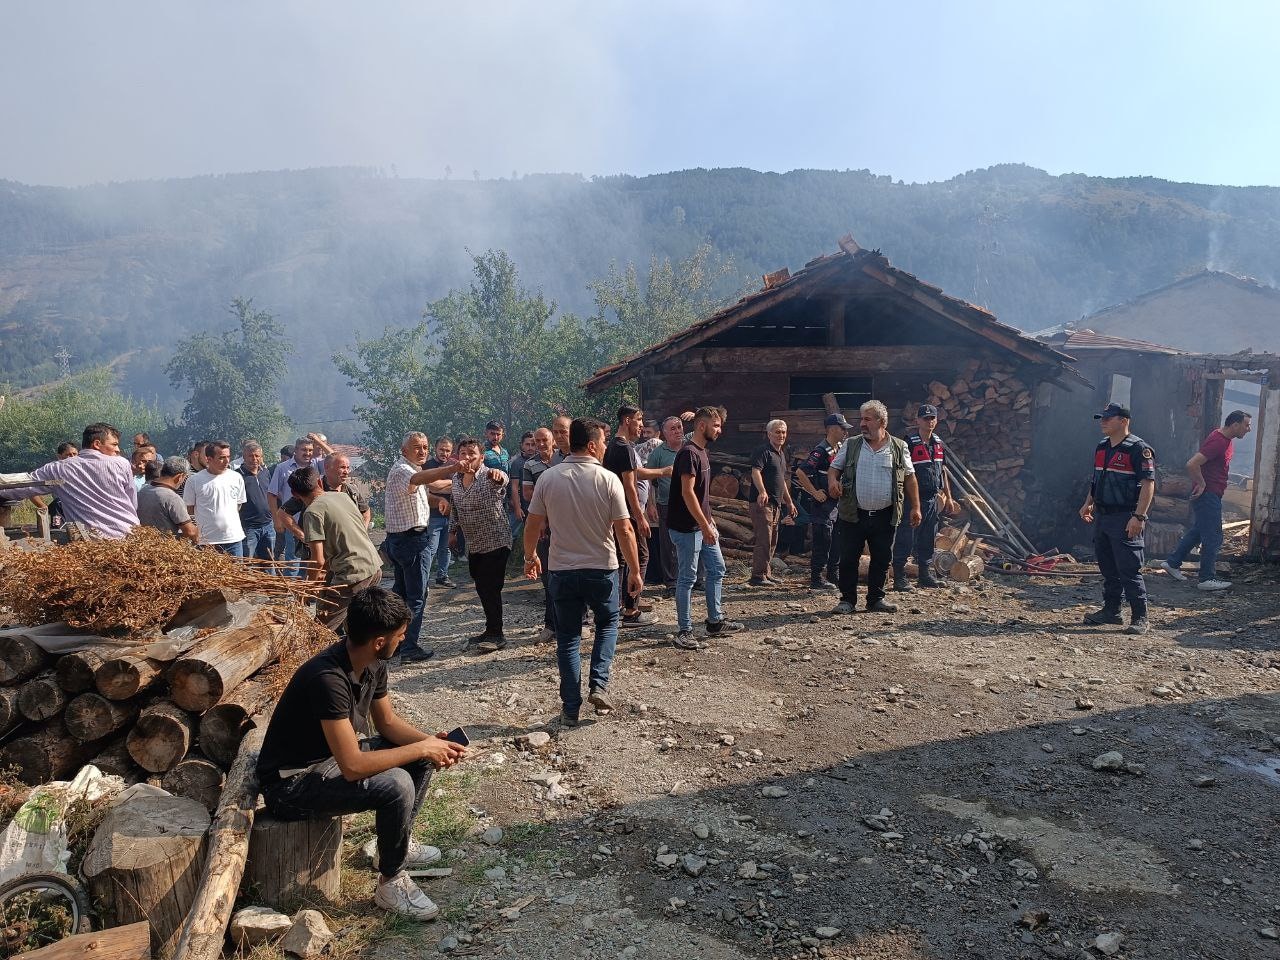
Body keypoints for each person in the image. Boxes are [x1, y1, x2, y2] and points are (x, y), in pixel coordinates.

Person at [256, 586, 469, 922]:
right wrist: (422, 746)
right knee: (397, 783)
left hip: (328, 762)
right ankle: (390, 882)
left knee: (418, 757)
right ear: (379, 642)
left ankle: (395, 849)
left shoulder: (370, 661)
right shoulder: (327, 678)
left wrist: (432, 743)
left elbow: (387, 723)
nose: (403, 640)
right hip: (290, 785)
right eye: (400, 635)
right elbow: (353, 766)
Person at [523, 417, 643, 725]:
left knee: (568, 638)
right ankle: (599, 684)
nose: (605, 446)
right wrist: (634, 571)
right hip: (602, 569)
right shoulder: (607, 479)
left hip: (562, 570)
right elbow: (625, 529)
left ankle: (571, 706)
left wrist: (530, 556)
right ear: (591, 445)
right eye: (602, 441)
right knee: (607, 625)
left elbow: (533, 522)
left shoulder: (549, 478)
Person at [384, 433, 474, 664]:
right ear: (404, 450)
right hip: (410, 541)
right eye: (417, 447)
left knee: (402, 594)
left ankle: (395, 644)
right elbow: (421, 479)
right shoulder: (405, 470)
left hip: (404, 540)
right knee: (416, 597)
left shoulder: (410, 469)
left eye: (424, 446)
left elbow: (424, 491)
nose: (422, 451)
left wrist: (439, 501)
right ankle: (409, 648)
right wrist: (454, 469)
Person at [826, 401, 921, 615]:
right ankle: (847, 600)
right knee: (849, 558)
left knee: (881, 559)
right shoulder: (852, 444)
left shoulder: (899, 447)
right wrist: (832, 482)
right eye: (861, 419)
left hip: (885, 515)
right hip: (853, 514)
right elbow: (834, 469)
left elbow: (910, 478)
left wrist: (916, 507)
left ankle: (876, 599)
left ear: (882, 422)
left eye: (867, 419)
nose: (862, 424)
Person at [666, 407, 744, 650]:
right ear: (702, 425)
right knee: (688, 578)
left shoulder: (702, 452)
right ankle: (684, 631)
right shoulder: (689, 454)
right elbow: (687, 493)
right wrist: (703, 524)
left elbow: (701, 497)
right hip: (687, 528)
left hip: (702, 525)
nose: (719, 430)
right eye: (716, 425)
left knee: (717, 569)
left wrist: (709, 523)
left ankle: (714, 621)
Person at [1079, 403, 1156, 634]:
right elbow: (1096, 480)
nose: (1102, 422)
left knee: (1129, 568)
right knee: (1108, 567)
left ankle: (1140, 617)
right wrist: (1087, 502)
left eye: (1108, 418)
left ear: (1123, 421)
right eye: (1101, 418)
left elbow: (1148, 484)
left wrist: (1139, 516)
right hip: (1103, 516)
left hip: (1125, 516)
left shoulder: (1139, 449)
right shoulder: (1102, 447)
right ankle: (1111, 611)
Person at [1159, 410, 1252, 591]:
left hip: (1212, 493)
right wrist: (1201, 484)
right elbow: (1192, 463)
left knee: (1199, 531)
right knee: (1214, 536)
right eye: (1246, 425)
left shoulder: (1224, 439)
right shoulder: (1218, 441)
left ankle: (1173, 562)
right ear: (1235, 425)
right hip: (1208, 495)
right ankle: (1206, 578)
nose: (1249, 429)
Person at [3, 423, 138, 539]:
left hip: (92, 543)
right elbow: (132, 503)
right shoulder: (122, 463)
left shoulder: (58, 468)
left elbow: (22, 485)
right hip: (132, 536)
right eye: (114, 444)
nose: (118, 449)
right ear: (97, 444)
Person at [288, 467, 384, 631]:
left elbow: (318, 560)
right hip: (373, 567)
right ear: (319, 482)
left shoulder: (312, 512)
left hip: (352, 575)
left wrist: (306, 590)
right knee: (357, 623)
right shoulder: (342, 496)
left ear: (295, 494)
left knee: (321, 629)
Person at [602, 405, 669, 628]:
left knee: (621, 559)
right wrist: (639, 517)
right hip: (627, 514)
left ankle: (618, 606)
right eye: (639, 420)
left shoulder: (614, 446)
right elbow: (630, 485)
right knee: (640, 556)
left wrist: (661, 471)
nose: (641, 425)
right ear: (628, 420)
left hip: (617, 512)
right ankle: (631, 610)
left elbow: (633, 475)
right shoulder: (625, 448)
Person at [448, 438, 513, 651]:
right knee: (481, 587)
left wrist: (499, 476)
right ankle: (490, 629)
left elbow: (502, 480)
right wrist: (452, 531)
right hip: (474, 544)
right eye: (463, 453)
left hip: (496, 541)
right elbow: (454, 506)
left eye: (472, 453)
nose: (467, 457)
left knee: (490, 587)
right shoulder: (456, 479)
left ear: (481, 457)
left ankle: (497, 634)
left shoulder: (488, 476)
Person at [891, 404, 950, 591]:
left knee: (928, 537)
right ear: (917, 421)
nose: (929, 421)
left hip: (933, 498)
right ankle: (899, 577)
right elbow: (900, 472)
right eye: (925, 418)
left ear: (936, 420)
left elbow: (944, 471)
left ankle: (925, 575)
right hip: (912, 499)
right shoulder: (908, 443)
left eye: (932, 418)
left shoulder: (938, 444)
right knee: (906, 537)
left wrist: (948, 496)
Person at [794, 414, 850, 591]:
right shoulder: (821, 450)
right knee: (822, 540)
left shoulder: (839, 447)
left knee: (837, 540)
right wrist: (814, 492)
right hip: (822, 505)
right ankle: (817, 578)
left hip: (836, 504)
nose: (845, 432)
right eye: (842, 428)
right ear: (832, 429)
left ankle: (834, 575)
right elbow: (801, 472)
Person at [747, 419, 798, 587]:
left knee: (773, 539)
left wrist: (789, 502)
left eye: (783, 432)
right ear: (769, 434)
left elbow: (782, 481)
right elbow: (755, 471)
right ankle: (757, 576)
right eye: (777, 432)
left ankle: (766, 574)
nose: (781, 435)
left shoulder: (780, 454)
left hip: (776, 504)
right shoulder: (763, 451)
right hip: (762, 503)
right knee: (764, 539)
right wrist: (762, 491)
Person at [522, 427, 558, 642]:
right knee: (547, 576)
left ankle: (581, 622)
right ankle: (550, 625)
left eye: (544, 440)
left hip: (566, 524)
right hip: (543, 524)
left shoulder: (565, 459)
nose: (541, 444)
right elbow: (528, 493)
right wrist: (543, 516)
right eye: (537, 441)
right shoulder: (530, 464)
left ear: (552, 439)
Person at [268, 437, 323, 577]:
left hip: (316, 522)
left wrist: (319, 442)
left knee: (313, 560)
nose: (308, 453)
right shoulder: (282, 468)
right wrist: (276, 520)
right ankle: (292, 595)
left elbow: (336, 458)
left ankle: (306, 594)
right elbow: (272, 494)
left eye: (310, 450)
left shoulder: (317, 464)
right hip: (293, 522)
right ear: (296, 451)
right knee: (293, 561)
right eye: (304, 450)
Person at [184, 441, 247, 556]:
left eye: (228, 457)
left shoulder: (236, 477)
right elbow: (189, 509)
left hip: (233, 539)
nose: (227, 461)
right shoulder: (194, 480)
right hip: (207, 542)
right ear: (209, 459)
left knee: (236, 573)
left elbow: (238, 504)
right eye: (221, 458)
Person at [646, 417, 685, 592]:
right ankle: (671, 582)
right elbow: (649, 480)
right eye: (673, 429)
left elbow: (706, 425)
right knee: (668, 544)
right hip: (666, 504)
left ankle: (694, 580)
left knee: (692, 541)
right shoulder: (658, 453)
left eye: (679, 427)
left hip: (690, 503)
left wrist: (695, 414)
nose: (677, 431)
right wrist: (651, 504)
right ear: (664, 433)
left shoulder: (689, 447)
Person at [138, 456, 199, 542]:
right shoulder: (172, 498)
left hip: (144, 546)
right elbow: (190, 532)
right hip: (166, 549)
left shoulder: (143, 491)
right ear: (180, 477)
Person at [424, 437, 458, 589]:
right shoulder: (428, 466)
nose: (444, 453)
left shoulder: (454, 466)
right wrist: (449, 484)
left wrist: (439, 486)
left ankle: (442, 576)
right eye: (441, 449)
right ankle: (423, 578)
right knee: (431, 548)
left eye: (448, 450)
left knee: (446, 548)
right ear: (435, 449)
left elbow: (457, 486)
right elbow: (430, 486)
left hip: (450, 515)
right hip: (433, 515)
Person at [238, 440, 276, 562]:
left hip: (268, 525)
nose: (254, 459)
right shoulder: (237, 476)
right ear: (244, 457)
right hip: (248, 528)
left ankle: (271, 581)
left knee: (269, 561)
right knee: (248, 562)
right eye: (250, 455)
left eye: (257, 456)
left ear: (261, 457)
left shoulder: (265, 472)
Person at [323, 453, 373, 528]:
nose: (346, 472)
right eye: (342, 467)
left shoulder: (352, 490)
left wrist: (362, 532)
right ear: (327, 468)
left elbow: (365, 511)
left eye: (347, 468)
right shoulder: (316, 490)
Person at [508, 431, 536, 534]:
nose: (530, 447)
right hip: (526, 506)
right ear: (522, 446)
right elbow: (514, 487)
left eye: (533, 444)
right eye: (527, 444)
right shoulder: (517, 463)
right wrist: (517, 507)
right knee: (529, 533)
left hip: (541, 504)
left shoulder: (541, 460)